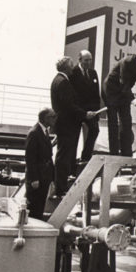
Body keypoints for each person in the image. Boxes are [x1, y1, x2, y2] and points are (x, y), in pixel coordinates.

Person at [51, 56, 96, 196]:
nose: (73, 68)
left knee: (63, 155)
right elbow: (69, 106)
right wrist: (84, 114)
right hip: (67, 124)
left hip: (64, 123)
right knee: (64, 157)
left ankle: (60, 185)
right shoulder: (63, 82)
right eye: (71, 66)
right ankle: (60, 187)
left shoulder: (58, 80)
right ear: (66, 67)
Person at [102, 45, 136, 156]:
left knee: (126, 122)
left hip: (124, 91)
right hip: (111, 91)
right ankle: (114, 153)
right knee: (113, 122)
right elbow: (124, 84)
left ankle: (126, 153)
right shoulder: (127, 61)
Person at [71, 50, 102, 162]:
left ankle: (86, 156)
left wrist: (95, 112)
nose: (88, 62)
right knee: (75, 137)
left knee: (95, 130)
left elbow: (95, 94)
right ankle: (72, 162)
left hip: (91, 110)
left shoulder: (93, 73)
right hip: (78, 111)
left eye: (90, 60)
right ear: (80, 60)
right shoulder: (73, 73)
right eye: (86, 60)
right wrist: (81, 112)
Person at [25, 108, 56, 220]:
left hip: (44, 177)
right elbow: (30, 157)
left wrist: (52, 178)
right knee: (33, 208)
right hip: (37, 179)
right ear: (45, 118)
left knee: (40, 207)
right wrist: (34, 179)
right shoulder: (34, 133)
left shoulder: (44, 132)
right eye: (53, 117)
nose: (55, 119)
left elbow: (47, 155)